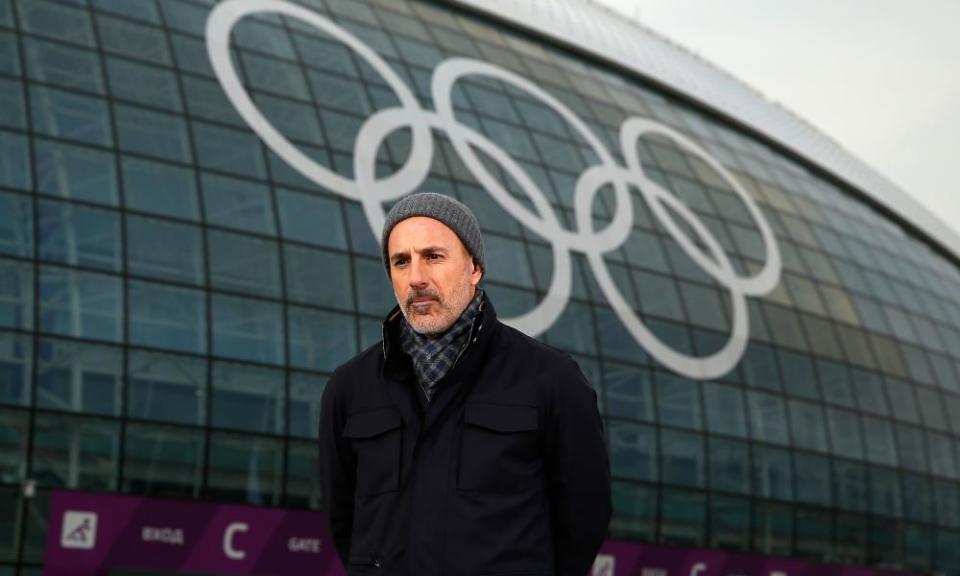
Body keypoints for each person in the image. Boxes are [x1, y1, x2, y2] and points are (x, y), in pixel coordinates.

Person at [320, 192, 611, 576]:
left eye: (433, 256)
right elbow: (344, 519)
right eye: (401, 261)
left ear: (474, 267)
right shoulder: (350, 388)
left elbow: (584, 516)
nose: (417, 278)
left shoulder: (550, 378)